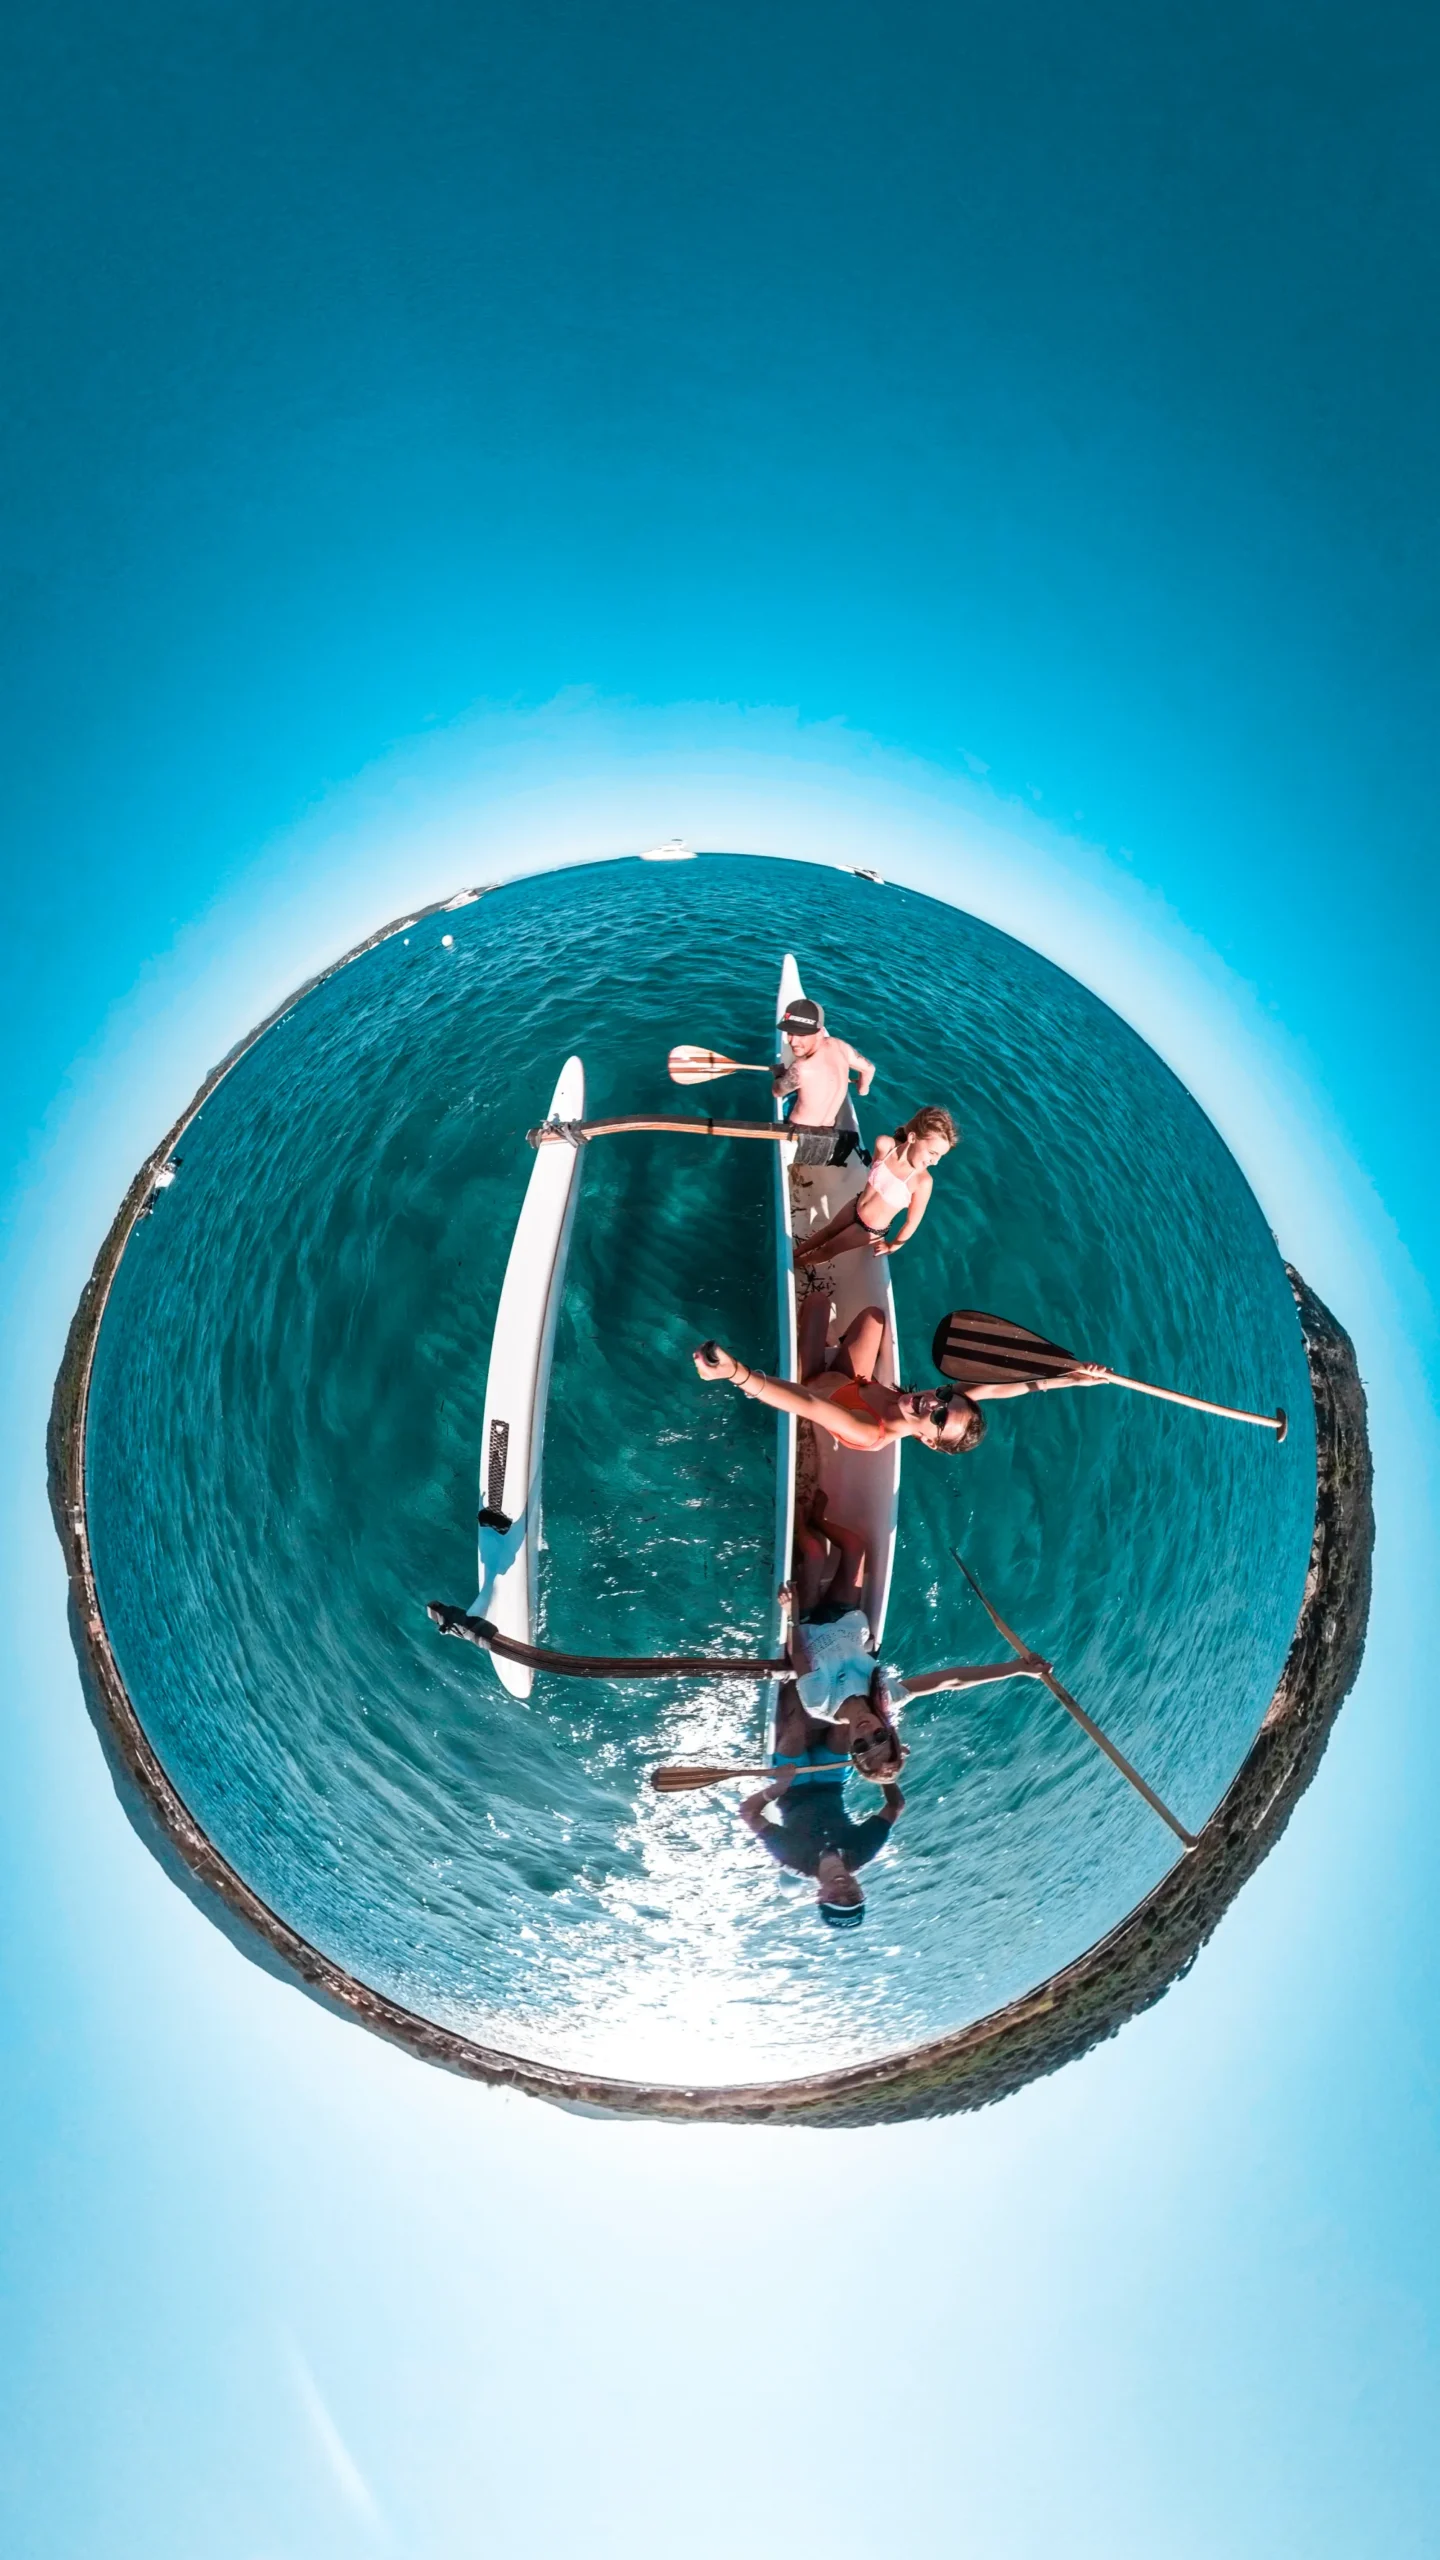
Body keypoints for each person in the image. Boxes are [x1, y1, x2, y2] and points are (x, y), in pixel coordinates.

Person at [739, 1493, 1046, 1926]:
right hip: (832, 1765)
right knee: (853, 1548)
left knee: (793, 1728)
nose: (844, 1890)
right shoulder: (863, 1848)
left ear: (821, 1896)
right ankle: (814, 1518)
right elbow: (950, 1681)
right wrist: (1018, 1668)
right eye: (853, 1896)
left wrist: (777, 1788)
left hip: (794, 1779)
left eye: (837, 1899)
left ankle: (801, 1526)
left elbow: (749, 1814)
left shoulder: (794, 1858)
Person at [694, 1288, 1107, 1457]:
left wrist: (736, 1374)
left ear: (928, 1440)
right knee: (874, 1317)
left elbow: (807, 1404)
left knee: (817, 1302)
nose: (934, 1403)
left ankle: (801, 1349)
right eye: (943, 1397)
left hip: (812, 1384)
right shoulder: (923, 1406)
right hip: (850, 1380)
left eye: (939, 1418)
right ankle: (826, 1342)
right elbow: (997, 1390)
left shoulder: (868, 1431)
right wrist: (1069, 1378)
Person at [795, 1105, 958, 1265]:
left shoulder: (922, 1182)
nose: (935, 1162)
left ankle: (797, 1264)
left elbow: (911, 1223)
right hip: (856, 1205)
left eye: (940, 1156)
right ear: (912, 1138)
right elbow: (875, 1170)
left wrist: (892, 1246)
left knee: (828, 1250)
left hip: (869, 1229)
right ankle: (794, 1254)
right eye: (932, 1153)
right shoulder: (885, 1146)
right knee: (827, 1231)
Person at [773, 996, 875, 1168]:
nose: (793, 1041)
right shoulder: (841, 1047)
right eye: (790, 1033)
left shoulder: (800, 1068)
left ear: (820, 1032)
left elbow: (776, 1091)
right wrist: (862, 1089)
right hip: (830, 1130)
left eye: (801, 1035)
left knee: (787, 1097)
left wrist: (778, 1074)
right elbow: (869, 1069)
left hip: (798, 1134)